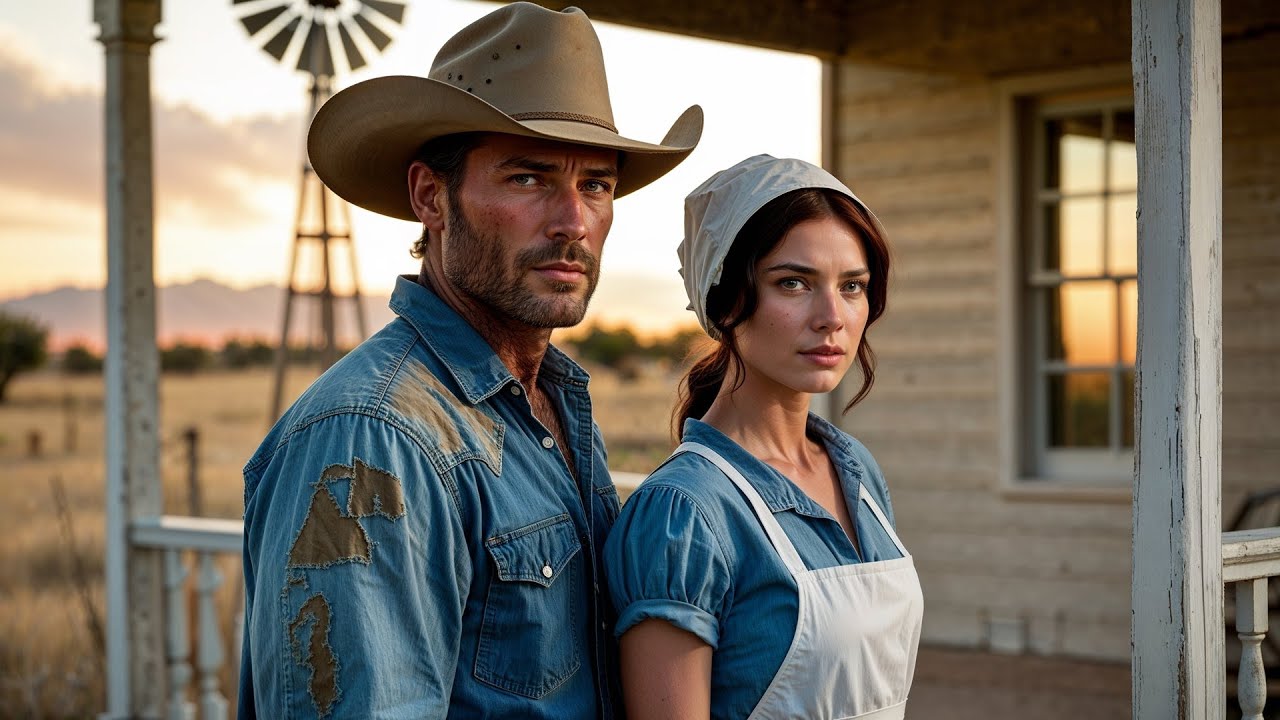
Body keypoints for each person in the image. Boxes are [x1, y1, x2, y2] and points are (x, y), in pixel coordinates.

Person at [237, 4, 702, 718]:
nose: (573, 221)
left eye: (596, 185)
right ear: (432, 197)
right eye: (528, 179)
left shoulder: (550, 402)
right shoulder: (374, 438)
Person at [605, 155, 923, 720]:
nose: (832, 316)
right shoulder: (683, 514)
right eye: (793, 283)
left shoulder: (855, 469)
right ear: (724, 300)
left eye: (852, 286)